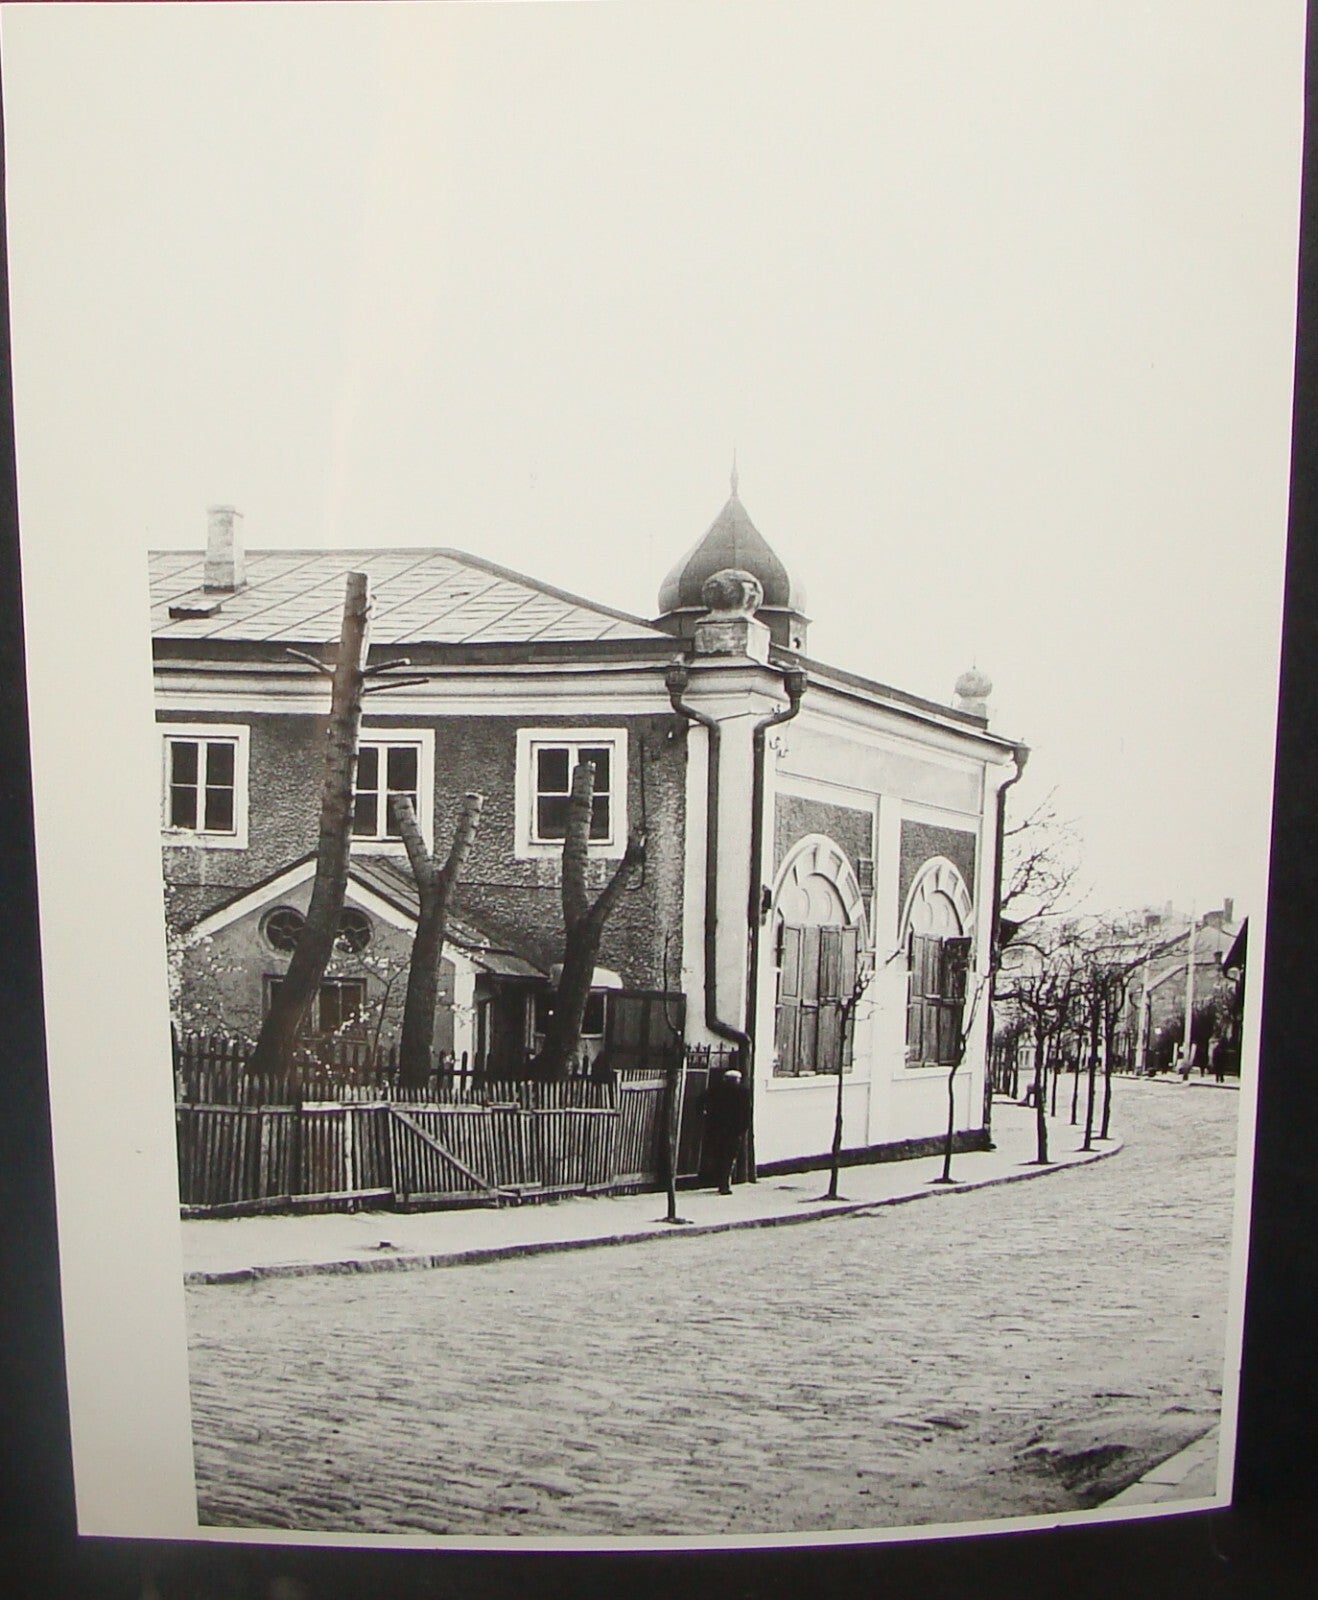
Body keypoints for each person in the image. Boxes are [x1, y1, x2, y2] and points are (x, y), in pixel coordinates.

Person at [703, 1066, 751, 1194]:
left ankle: (717, 1181)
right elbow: (747, 1112)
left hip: (717, 1129)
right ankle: (724, 1184)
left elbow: (701, 1100)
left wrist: (705, 1115)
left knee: (718, 1155)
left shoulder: (716, 1089)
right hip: (734, 1131)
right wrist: (743, 1128)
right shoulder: (743, 1091)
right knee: (729, 1157)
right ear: (738, 1080)